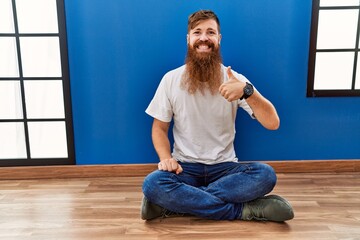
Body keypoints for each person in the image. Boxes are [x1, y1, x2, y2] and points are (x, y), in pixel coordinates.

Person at [141, 10, 294, 222]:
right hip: (184, 168)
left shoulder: (235, 80)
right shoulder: (170, 79)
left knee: (266, 175)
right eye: (197, 32)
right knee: (152, 183)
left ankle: (177, 205)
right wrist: (166, 159)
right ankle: (244, 211)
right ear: (188, 39)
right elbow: (159, 128)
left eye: (210, 32)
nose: (204, 38)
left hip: (225, 169)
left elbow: (273, 123)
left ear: (219, 39)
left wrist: (247, 91)